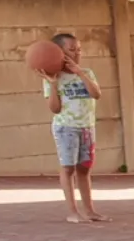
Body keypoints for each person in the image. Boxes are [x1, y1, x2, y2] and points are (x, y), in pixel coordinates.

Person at [46, 32, 107, 223]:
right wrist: (53, 84)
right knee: (68, 168)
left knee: (84, 169)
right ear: (60, 53)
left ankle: (90, 210)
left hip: (86, 127)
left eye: (79, 50)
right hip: (66, 127)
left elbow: (96, 94)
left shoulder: (87, 73)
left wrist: (80, 72)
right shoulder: (53, 77)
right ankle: (73, 212)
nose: (77, 53)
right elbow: (55, 109)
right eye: (71, 50)